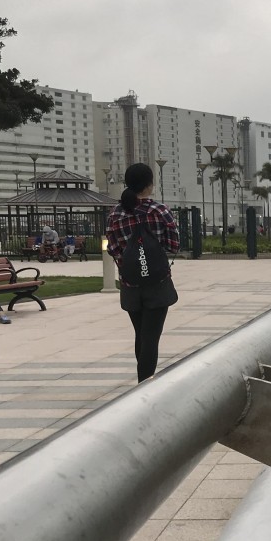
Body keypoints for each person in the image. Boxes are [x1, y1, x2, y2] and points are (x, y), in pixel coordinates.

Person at [106, 163, 180, 382]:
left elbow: (113, 248)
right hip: (157, 282)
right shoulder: (159, 210)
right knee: (150, 337)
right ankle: (144, 386)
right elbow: (173, 245)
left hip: (130, 284)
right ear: (149, 184)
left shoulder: (115, 214)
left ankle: (143, 381)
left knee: (141, 334)